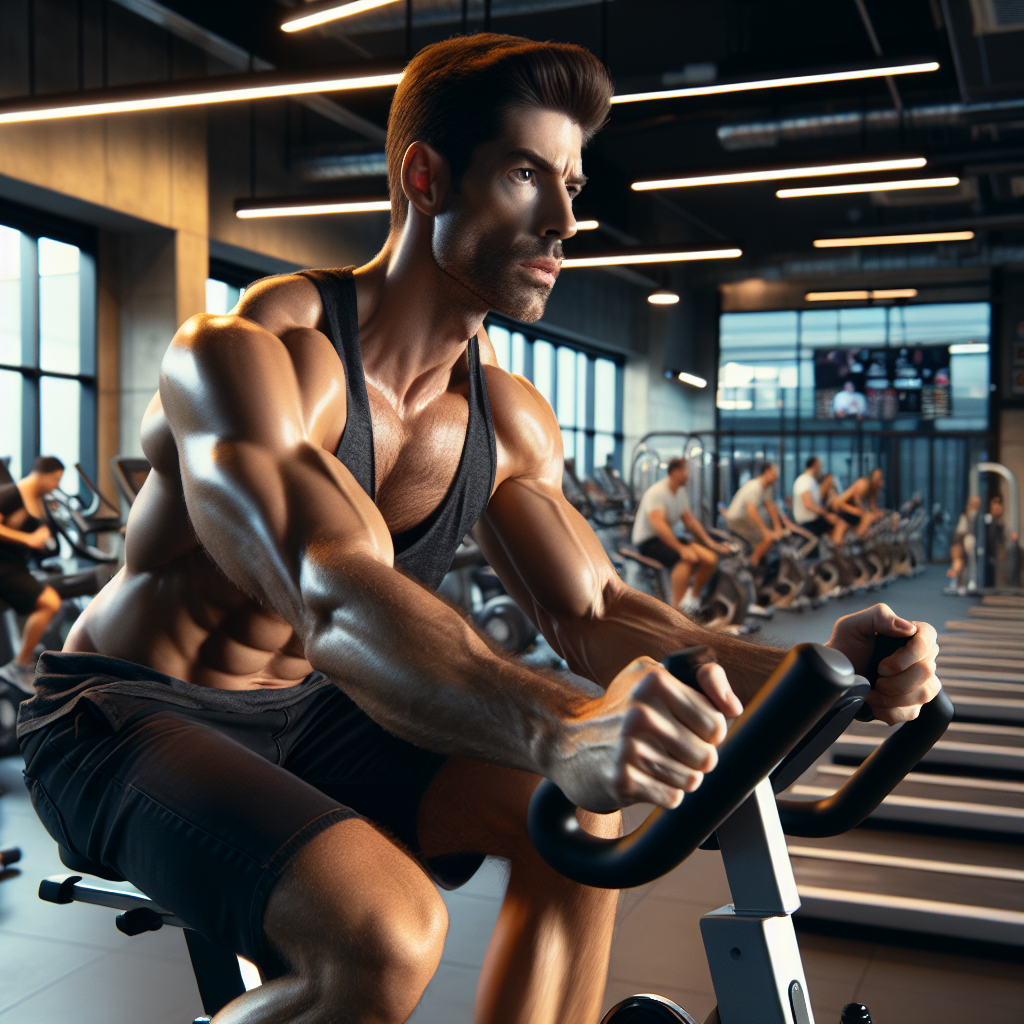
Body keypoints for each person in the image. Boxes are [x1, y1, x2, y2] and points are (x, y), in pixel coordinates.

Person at [16, 35, 940, 1024]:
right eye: (526, 176)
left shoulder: (507, 420)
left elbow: (592, 608)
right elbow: (329, 590)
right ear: (426, 177)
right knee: (387, 931)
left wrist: (820, 677)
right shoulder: (259, 354)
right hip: (125, 718)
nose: (565, 219)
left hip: (310, 717)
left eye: (573, 185)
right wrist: (558, 722)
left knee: (575, 823)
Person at [631, 457, 732, 615]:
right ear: (676, 472)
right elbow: (659, 525)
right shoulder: (658, 492)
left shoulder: (680, 492)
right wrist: (681, 549)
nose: (688, 475)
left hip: (667, 536)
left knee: (710, 559)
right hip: (648, 541)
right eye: (686, 471)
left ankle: (691, 600)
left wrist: (711, 543)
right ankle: (677, 612)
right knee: (684, 559)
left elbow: (690, 521)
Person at [0, 456, 64, 692]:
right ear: (43, 474)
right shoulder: (10, 494)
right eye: (55, 478)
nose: (56, 484)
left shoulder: (38, 501)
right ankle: (18, 665)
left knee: (50, 602)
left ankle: (28, 648)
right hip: (4, 566)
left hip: (18, 565)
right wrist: (28, 538)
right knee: (50, 602)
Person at [723, 462, 784, 567]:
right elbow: (752, 511)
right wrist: (765, 531)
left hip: (744, 520)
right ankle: (753, 566)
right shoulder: (755, 486)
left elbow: (771, 507)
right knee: (767, 539)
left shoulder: (766, 488)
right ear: (767, 471)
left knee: (769, 536)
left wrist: (778, 528)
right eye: (774, 473)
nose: (776, 477)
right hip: (737, 520)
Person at [792, 456, 843, 544]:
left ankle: (834, 549)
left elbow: (819, 499)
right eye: (820, 466)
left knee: (837, 520)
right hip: (807, 522)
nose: (821, 469)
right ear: (815, 465)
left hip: (813, 520)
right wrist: (826, 515)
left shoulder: (812, 482)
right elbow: (809, 505)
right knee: (840, 523)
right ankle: (837, 550)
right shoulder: (804, 480)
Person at [836, 467, 886, 539]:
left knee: (870, 517)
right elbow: (839, 502)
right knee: (867, 517)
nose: (880, 481)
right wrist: (857, 511)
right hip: (841, 510)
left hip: (853, 513)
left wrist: (879, 514)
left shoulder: (873, 490)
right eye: (878, 478)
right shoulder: (861, 485)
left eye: (880, 478)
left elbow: (873, 509)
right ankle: (855, 539)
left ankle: (857, 539)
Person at [947, 494, 980, 592]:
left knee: (970, 564)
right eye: (973, 503)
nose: (975, 506)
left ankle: (966, 582)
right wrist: (958, 544)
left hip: (972, 543)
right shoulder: (965, 516)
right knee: (959, 563)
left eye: (977, 504)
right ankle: (955, 582)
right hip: (964, 543)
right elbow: (960, 532)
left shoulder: (978, 515)